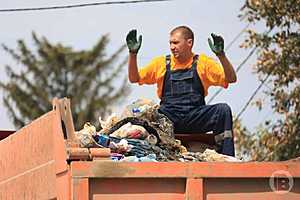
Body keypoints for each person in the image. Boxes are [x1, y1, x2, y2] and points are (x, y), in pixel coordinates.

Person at [126, 26, 237, 156]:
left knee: (223, 110)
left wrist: (221, 55)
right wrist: (132, 54)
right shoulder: (161, 63)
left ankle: (226, 157)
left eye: (176, 42)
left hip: (194, 117)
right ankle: (149, 153)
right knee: (144, 113)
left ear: (189, 43)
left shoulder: (204, 63)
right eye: (170, 43)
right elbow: (134, 78)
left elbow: (231, 79)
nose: (172, 47)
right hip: (168, 120)